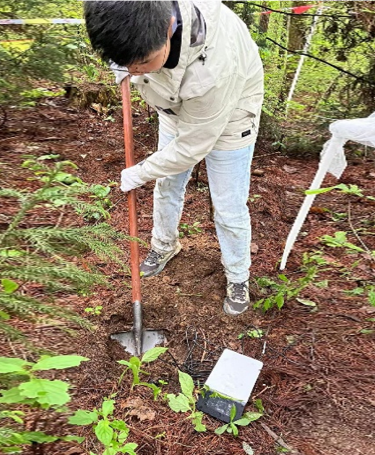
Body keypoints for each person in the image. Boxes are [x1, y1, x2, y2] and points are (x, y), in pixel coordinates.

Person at [84, 0, 264, 316]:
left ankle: (238, 277)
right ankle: (164, 246)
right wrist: (123, 65)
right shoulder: (136, 20)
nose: (133, 71)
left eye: (140, 62)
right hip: (173, 106)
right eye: (124, 62)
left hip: (230, 113)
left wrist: (140, 172)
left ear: (168, 28)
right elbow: (127, 56)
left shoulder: (214, 69)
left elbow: (191, 148)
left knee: (228, 206)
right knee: (167, 185)